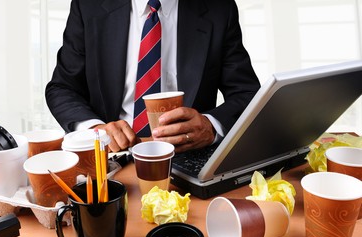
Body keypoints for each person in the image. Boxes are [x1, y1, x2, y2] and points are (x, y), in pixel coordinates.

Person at [45, 0, 260, 153]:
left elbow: (247, 94)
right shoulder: (88, 5)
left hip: (186, 156)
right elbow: (63, 88)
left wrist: (210, 126)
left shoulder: (219, 8)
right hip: (111, 157)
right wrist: (94, 130)